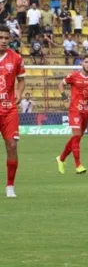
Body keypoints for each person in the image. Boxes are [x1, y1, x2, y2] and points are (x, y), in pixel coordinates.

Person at [56, 54, 88, 174]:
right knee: (76, 136)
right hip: (75, 110)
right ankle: (78, 165)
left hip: (87, 111)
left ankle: (61, 158)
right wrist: (64, 97)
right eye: (86, 62)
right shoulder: (74, 75)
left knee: (76, 138)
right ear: (81, 63)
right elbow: (60, 84)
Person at [0, 25, 26, 197]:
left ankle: (10, 186)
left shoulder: (15, 57)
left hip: (9, 109)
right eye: (0, 37)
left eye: (5, 38)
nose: (3, 41)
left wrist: (19, 92)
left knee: (12, 145)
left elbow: (21, 80)